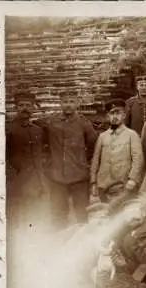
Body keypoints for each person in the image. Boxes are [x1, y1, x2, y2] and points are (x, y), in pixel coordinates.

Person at [39, 89, 98, 229]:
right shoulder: (51, 122)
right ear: (60, 103)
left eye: (71, 102)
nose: (68, 105)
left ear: (77, 103)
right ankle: (60, 243)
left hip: (79, 176)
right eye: (65, 102)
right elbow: (43, 144)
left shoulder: (84, 124)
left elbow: (92, 145)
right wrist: (50, 163)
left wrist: (83, 162)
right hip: (57, 176)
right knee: (58, 213)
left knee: (82, 214)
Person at [90, 98, 144, 205]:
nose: (115, 116)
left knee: (123, 216)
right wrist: (94, 182)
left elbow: (138, 159)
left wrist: (133, 179)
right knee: (106, 215)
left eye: (118, 113)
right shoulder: (102, 136)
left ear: (124, 115)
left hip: (123, 185)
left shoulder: (131, 135)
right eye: (112, 113)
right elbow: (96, 160)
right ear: (108, 116)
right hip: (104, 185)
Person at [6, 91, 48, 228]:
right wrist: (11, 177)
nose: (25, 108)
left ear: (33, 108)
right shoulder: (8, 129)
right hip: (16, 181)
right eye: (21, 105)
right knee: (16, 218)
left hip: (35, 181)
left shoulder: (37, 130)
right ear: (16, 107)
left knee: (34, 215)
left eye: (28, 105)